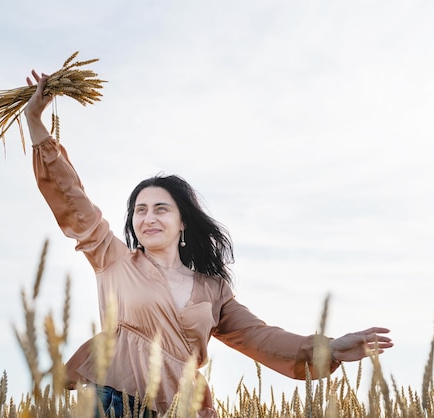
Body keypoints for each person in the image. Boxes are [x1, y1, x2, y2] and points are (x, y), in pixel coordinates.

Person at [24, 69, 394, 418]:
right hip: (110, 397)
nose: (148, 218)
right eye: (140, 210)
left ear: (183, 221)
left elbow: (261, 338)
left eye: (160, 209)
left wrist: (331, 348)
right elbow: (73, 202)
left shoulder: (214, 291)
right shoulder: (115, 260)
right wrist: (37, 125)